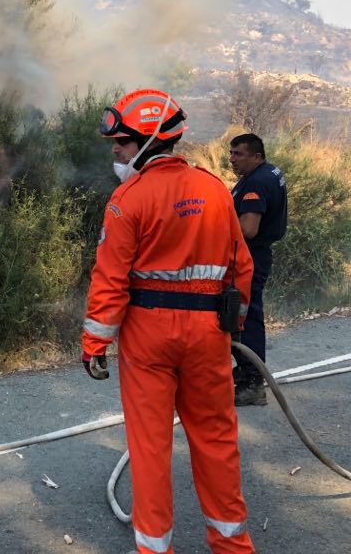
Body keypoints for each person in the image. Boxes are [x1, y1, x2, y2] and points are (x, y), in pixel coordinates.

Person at [82, 88, 257, 554]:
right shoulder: (216, 190)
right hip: (208, 337)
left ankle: (155, 549)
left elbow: (110, 278)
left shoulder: (127, 199)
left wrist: (94, 342)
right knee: (217, 441)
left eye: (121, 142)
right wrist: (233, 325)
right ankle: (233, 547)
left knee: (150, 449)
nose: (115, 150)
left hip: (148, 337)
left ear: (150, 140)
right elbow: (242, 267)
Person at [228, 133, 288, 407]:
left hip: (249, 259)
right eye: (231, 153)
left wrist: (217, 223)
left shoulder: (255, 183)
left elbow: (248, 229)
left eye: (239, 154)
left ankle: (252, 383)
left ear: (256, 156)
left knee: (245, 317)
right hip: (257, 256)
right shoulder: (269, 172)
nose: (232, 159)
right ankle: (246, 373)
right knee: (246, 315)